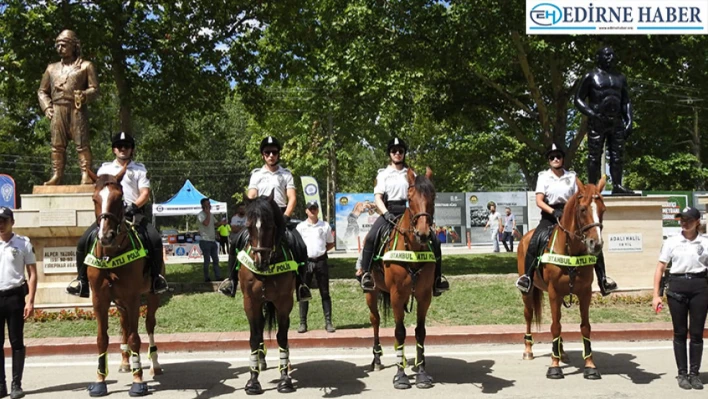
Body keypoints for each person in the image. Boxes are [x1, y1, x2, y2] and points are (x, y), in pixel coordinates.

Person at [66, 132, 168, 297]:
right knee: (83, 241)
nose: (123, 149)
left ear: (131, 150)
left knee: (154, 238)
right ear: (114, 149)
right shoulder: (105, 169)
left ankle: (156, 279)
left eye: (126, 146)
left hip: (133, 214)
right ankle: (82, 281)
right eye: (119, 146)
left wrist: (134, 206)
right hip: (109, 215)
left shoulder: (139, 169)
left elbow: (145, 193)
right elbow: (99, 192)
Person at [515, 144, 617, 296]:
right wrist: (553, 211)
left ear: (563, 159)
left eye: (558, 156)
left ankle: (603, 280)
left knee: (594, 241)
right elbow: (539, 201)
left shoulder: (572, 177)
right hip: (550, 215)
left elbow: (580, 197)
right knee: (534, 240)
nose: (555, 159)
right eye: (552, 157)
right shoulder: (543, 177)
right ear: (549, 161)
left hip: (570, 214)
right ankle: (527, 278)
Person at [219, 136, 311, 301]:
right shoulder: (256, 174)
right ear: (263, 155)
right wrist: (251, 207)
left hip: (280, 217)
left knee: (300, 245)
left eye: (274, 152)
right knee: (235, 243)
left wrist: (285, 217)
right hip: (260, 218)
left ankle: (301, 285)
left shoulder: (286, 174)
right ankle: (232, 282)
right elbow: (252, 194)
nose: (271, 155)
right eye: (267, 152)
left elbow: (292, 198)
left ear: (278, 154)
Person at [359, 137, 449, 295]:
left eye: (401, 151)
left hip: (410, 212)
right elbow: (378, 198)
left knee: (434, 240)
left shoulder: (412, 174)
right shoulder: (383, 174)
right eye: (394, 151)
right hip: (389, 212)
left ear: (404, 153)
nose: (397, 154)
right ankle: (366, 274)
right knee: (372, 237)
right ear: (389, 154)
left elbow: (419, 196)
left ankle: (437, 279)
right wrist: (386, 214)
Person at [652, 207, 708, 390]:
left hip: (700, 287)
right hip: (677, 287)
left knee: (697, 333)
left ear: (697, 222)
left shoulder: (705, 242)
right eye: (682, 220)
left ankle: (695, 374)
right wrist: (656, 295)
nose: (684, 223)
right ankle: (682, 374)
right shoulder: (672, 241)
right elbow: (660, 268)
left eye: (688, 220)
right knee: (680, 332)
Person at [38, 30, 100, 186]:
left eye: (64, 44)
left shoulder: (86, 66)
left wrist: (84, 95)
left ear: (74, 46)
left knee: (82, 143)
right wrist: (47, 107)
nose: (60, 48)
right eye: (57, 44)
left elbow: (95, 89)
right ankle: (56, 175)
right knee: (57, 145)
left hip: (77, 109)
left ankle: (86, 174)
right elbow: (42, 91)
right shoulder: (51, 68)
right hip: (58, 109)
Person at [574, 46, 633, 194]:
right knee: (594, 155)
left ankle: (617, 185)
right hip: (597, 121)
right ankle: (592, 187)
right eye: (606, 55)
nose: (610, 58)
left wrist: (629, 120)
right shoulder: (591, 76)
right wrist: (591, 113)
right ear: (598, 57)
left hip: (617, 121)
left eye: (612, 55)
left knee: (617, 155)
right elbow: (578, 99)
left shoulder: (620, 78)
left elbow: (626, 101)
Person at [0, 207, 36, 399]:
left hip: (15, 297)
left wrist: (30, 300)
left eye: (4, 220)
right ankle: (0, 385)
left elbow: (32, 274)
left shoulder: (23, 243)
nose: (1, 224)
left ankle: (16, 384)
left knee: (16, 341)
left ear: (12, 222)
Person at [296, 200, 336, 333]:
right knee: (303, 292)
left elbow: (330, 243)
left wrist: (321, 252)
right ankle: (303, 323)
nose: (312, 211)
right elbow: (297, 245)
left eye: (315, 208)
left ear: (318, 210)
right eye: (310, 209)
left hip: (321, 261)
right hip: (306, 262)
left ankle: (328, 322)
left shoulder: (325, 226)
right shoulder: (301, 227)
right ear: (306, 211)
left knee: (325, 292)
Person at [198, 198, 222, 282]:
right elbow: (206, 223)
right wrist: (207, 213)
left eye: (209, 204)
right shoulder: (200, 215)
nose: (209, 205)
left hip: (212, 240)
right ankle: (207, 277)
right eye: (207, 204)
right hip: (205, 240)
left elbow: (215, 223)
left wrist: (222, 223)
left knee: (216, 260)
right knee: (207, 260)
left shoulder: (211, 214)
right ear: (203, 206)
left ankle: (218, 276)